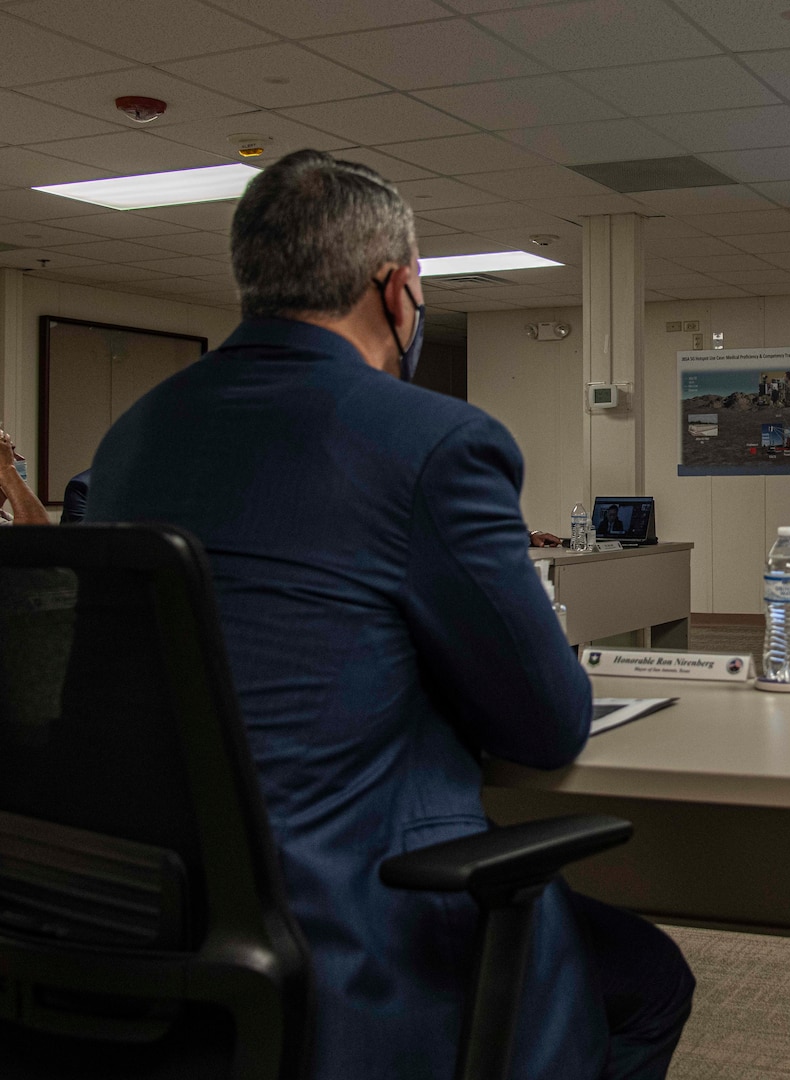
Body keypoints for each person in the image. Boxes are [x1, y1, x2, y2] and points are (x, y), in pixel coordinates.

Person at [87, 150, 692, 1080]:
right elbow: (546, 724)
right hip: (350, 922)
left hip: (143, 911)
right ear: (396, 287)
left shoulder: (138, 433)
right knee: (648, 980)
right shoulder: (434, 440)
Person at [0, 429, 48, 526]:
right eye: (7, 453)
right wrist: (7, 469)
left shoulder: (5, 517)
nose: (20, 459)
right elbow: (35, 533)